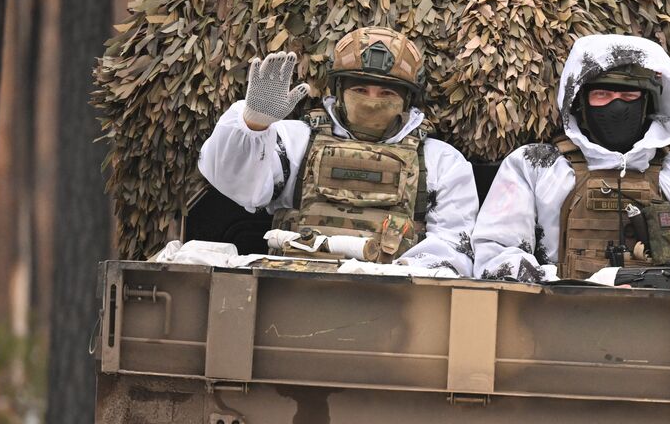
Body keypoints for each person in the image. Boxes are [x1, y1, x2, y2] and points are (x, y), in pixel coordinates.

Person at [198, 27, 479, 274]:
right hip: (291, 289)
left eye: (386, 93)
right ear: (339, 90)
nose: (372, 101)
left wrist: (392, 274)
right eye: (360, 89)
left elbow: (453, 249)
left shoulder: (440, 161)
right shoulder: (297, 141)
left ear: (407, 100)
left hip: (394, 300)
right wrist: (253, 126)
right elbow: (237, 185)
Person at [472, 34, 670, 290]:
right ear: (580, 104)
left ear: (647, 103)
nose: (617, 107)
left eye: (629, 97)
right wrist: (570, 287)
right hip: (555, 316)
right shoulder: (535, 166)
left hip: (662, 317)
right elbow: (495, 255)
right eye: (602, 95)